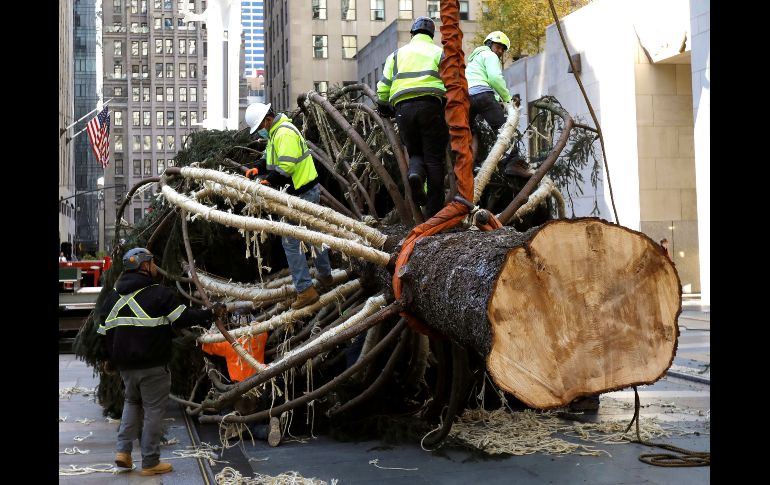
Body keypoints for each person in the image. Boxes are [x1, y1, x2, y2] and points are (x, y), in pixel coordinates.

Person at [96, 247, 226, 476]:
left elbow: (102, 332)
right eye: (152, 262)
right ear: (144, 266)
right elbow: (184, 318)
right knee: (154, 410)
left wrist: (107, 359)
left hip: (126, 367)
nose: (156, 266)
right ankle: (150, 462)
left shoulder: (113, 297)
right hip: (154, 366)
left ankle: (122, 452)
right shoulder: (159, 293)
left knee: (131, 403)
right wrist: (211, 313)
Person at [244, 102, 334, 310]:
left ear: (267, 120)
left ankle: (305, 290)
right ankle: (326, 276)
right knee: (314, 235)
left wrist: (270, 181)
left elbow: (286, 166)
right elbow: (269, 158)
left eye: (260, 129)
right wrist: (257, 168)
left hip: (302, 193)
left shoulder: (283, 133)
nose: (261, 133)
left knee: (291, 242)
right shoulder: (277, 132)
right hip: (304, 191)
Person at [376, 16, 450, 218]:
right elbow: (451, 82)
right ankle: (434, 212)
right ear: (431, 35)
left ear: (412, 34)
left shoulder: (397, 55)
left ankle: (415, 174)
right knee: (434, 159)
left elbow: (383, 87)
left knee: (415, 152)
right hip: (431, 106)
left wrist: (384, 104)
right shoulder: (439, 53)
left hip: (403, 108)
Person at [466, 31, 533, 178]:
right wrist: (508, 100)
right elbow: (495, 79)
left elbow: (478, 81)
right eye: (498, 46)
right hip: (483, 96)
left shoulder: (473, 60)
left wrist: (496, 99)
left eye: (503, 49)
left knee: (469, 132)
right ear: (489, 43)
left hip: (468, 98)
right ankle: (512, 162)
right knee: (505, 130)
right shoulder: (489, 56)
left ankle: (473, 164)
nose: (500, 51)